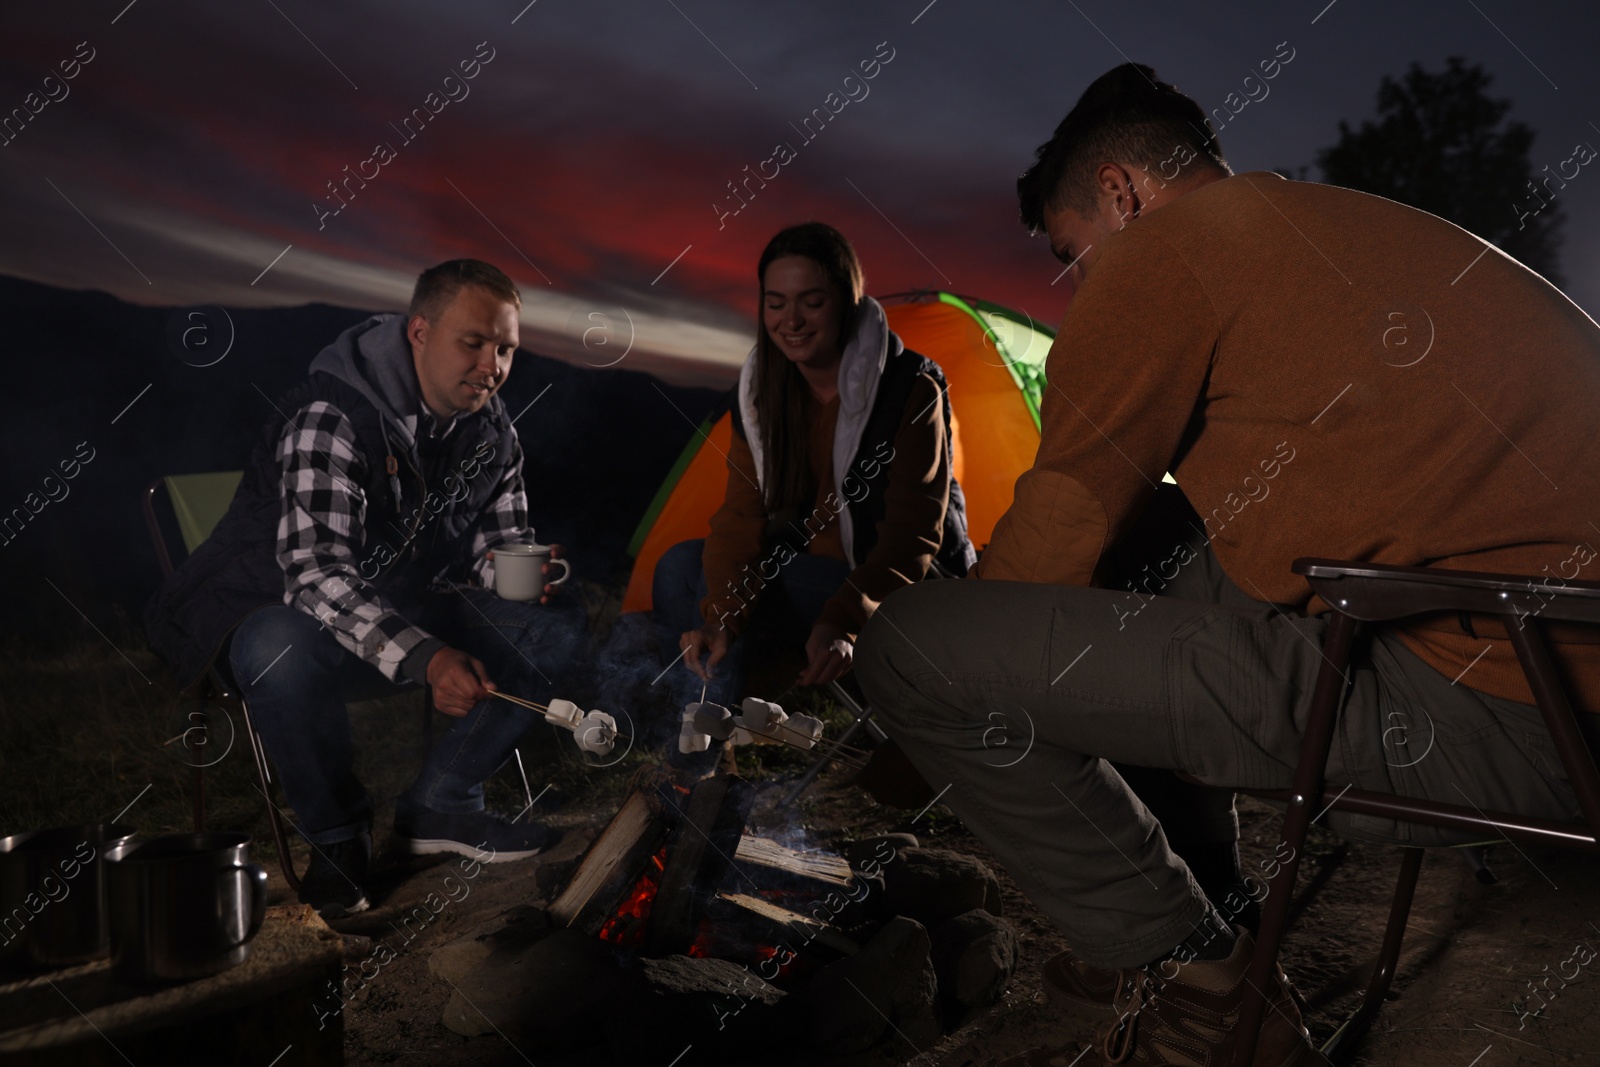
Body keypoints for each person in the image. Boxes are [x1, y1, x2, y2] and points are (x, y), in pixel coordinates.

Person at [854, 63, 1600, 1066]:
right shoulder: (1316, 229)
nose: (1082, 284)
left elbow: (1052, 540)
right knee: (1150, 542)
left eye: (1075, 257)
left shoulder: (1169, 254)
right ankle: (1204, 912)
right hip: (1533, 658)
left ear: (1123, 192)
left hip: (1512, 713)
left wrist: (916, 737)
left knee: (913, 649)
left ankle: (1203, 988)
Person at [146, 259, 586, 919]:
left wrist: (524, 576)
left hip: (398, 600)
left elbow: (492, 548)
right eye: (474, 342)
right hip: (271, 602)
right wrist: (427, 656)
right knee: (276, 644)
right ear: (419, 332)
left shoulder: (492, 433)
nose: (493, 365)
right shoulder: (332, 414)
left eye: (506, 348)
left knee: (552, 624)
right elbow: (317, 573)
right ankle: (336, 841)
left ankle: (442, 803)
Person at [653, 221, 974, 723]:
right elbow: (741, 518)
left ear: (847, 300)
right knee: (679, 567)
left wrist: (843, 620)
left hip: (893, 593)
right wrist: (721, 617)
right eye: (776, 303)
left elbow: (910, 541)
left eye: (812, 301)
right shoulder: (762, 395)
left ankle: (698, 751)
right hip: (799, 579)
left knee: (752, 576)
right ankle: (722, 735)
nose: (792, 320)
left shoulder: (909, 390)